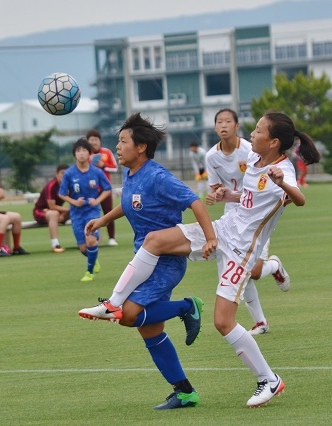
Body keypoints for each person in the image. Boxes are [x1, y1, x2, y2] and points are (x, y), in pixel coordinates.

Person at [82, 111, 321, 407]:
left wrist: (282, 183)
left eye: (258, 130)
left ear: (273, 142)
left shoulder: (282, 169)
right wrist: (227, 196)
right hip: (225, 228)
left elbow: (299, 199)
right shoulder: (254, 159)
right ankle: (113, 303)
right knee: (155, 240)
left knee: (223, 322)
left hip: (242, 249)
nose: (251, 134)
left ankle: (269, 379)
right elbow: (250, 200)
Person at [79, 113, 216, 410]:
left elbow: (194, 201)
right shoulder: (131, 175)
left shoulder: (157, 176)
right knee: (149, 329)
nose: (117, 147)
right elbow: (129, 203)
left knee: (127, 315)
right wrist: (102, 220)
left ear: (141, 147)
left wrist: (209, 238)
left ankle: (187, 306)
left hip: (166, 262)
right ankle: (185, 392)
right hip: (144, 259)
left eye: (123, 141)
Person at [206, 108, 291, 336]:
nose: (223, 125)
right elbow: (216, 187)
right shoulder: (211, 157)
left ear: (237, 126)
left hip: (256, 214)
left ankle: (274, 266)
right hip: (232, 216)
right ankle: (260, 322)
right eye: (219, 122)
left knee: (253, 272)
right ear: (214, 127)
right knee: (235, 271)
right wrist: (217, 194)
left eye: (228, 121)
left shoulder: (251, 149)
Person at [59, 138, 111, 282]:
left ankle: (89, 272)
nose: (81, 153)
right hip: (76, 213)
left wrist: (97, 200)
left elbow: (107, 189)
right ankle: (93, 259)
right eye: (78, 151)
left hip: (92, 211)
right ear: (74, 154)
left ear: (89, 153)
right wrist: (74, 202)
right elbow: (62, 193)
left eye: (84, 150)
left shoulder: (97, 172)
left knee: (91, 240)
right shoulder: (69, 173)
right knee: (83, 248)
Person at [86, 129, 120, 246]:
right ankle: (92, 238)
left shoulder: (106, 152)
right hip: (90, 189)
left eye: (96, 140)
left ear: (99, 141)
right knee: (90, 213)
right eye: (91, 140)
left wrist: (103, 166)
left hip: (105, 188)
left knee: (109, 212)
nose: (93, 142)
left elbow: (115, 168)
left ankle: (111, 238)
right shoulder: (86, 154)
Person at [33, 164, 70, 253]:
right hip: (41, 211)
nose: (64, 176)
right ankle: (55, 244)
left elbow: (73, 202)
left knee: (80, 210)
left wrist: (64, 214)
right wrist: (68, 210)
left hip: (58, 212)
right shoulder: (51, 185)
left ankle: (84, 242)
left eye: (66, 174)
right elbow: (52, 207)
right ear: (56, 174)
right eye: (62, 173)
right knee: (54, 213)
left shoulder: (69, 185)